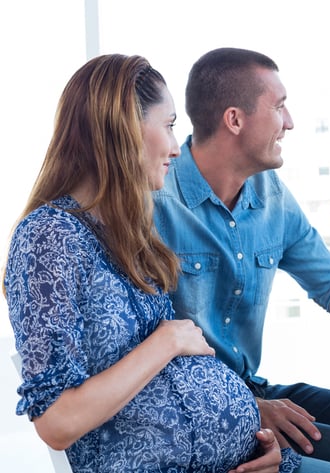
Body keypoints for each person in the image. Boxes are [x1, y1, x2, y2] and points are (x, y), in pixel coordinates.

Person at [3, 53, 309, 473]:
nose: (174, 149)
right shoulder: (48, 237)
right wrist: (167, 341)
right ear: (125, 129)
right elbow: (58, 422)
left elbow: (175, 380)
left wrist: (257, 443)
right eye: (168, 127)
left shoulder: (127, 230)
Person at [152, 47, 330, 473]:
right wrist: (247, 407)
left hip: (253, 386)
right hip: (196, 406)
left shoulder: (270, 194)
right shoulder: (155, 202)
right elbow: (143, 356)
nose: (290, 121)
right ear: (235, 119)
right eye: (279, 107)